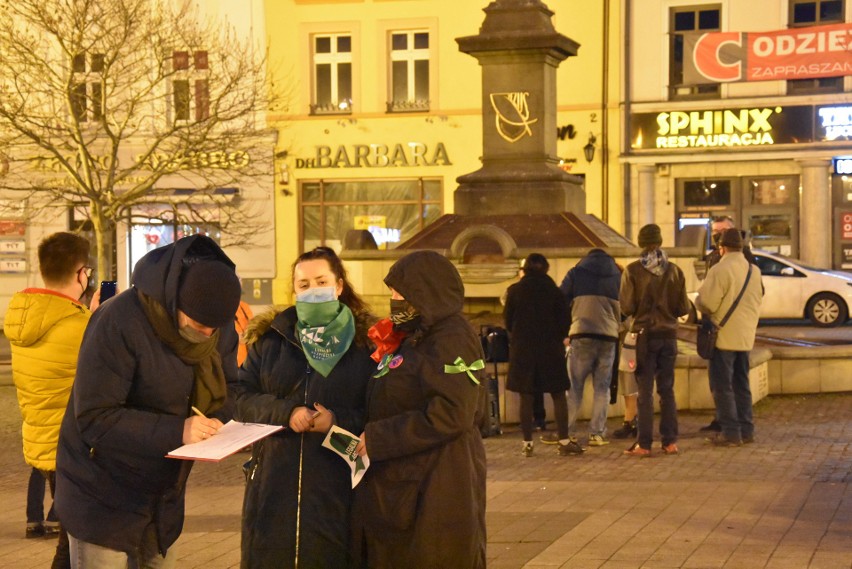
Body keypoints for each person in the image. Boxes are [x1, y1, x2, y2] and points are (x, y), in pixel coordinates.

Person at [55, 234, 242, 567]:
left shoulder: (219, 325)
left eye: (216, 328)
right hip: (100, 492)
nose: (208, 336)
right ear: (175, 302)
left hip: (161, 496)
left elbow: (230, 389)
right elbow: (95, 417)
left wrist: (224, 425)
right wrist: (178, 431)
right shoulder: (120, 320)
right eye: (199, 326)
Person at [237, 247, 374, 568]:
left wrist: (335, 422)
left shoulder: (365, 345)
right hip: (273, 486)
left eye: (321, 281)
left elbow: (377, 409)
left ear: (339, 286)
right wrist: (287, 412)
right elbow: (240, 398)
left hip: (337, 487)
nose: (313, 290)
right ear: (295, 290)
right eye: (304, 285)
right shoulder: (270, 340)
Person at [352, 250, 487, 568]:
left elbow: (453, 412)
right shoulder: (414, 335)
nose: (394, 299)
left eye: (400, 292)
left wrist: (379, 437)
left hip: (437, 484)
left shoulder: (452, 337)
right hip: (406, 485)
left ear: (426, 291)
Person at [4, 231, 94, 568]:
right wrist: (95, 318)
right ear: (81, 273)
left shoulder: (26, 317)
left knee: (70, 541)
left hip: (45, 443)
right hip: (77, 448)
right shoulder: (80, 325)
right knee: (75, 545)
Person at [620, 224, 691, 457]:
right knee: (667, 390)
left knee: (645, 391)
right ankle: (670, 442)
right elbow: (683, 307)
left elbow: (627, 306)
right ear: (660, 242)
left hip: (644, 337)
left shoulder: (632, 271)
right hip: (669, 336)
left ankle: (644, 444)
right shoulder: (675, 271)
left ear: (641, 243)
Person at [504, 253, 578, 457]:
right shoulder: (554, 292)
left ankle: (527, 443)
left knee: (526, 395)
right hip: (550, 349)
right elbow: (565, 321)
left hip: (523, 348)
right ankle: (563, 440)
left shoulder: (515, 291)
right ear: (545, 269)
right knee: (558, 393)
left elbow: (508, 321)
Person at [694, 228, 763, 446]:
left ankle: (731, 433)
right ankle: (746, 429)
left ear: (722, 248)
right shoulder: (754, 270)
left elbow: (707, 303)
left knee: (722, 386)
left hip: (722, 337)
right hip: (745, 337)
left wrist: (697, 301)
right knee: (742, 384)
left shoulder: (720, 269)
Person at [559, 248, 621, 447]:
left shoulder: (576, 273)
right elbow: (627, 306)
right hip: (608, 337)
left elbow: (561, 300)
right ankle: (597, 433)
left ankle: (568, 431)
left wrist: (568, 325)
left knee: (574, 387)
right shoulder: (618, 276)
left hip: (581, 333)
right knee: (602, 388)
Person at [234, 299, 254, 366]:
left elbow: (253, 327)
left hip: (246, 363)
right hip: (230, 364)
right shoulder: (217, 307)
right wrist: (234, 338)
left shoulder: (243, 306)